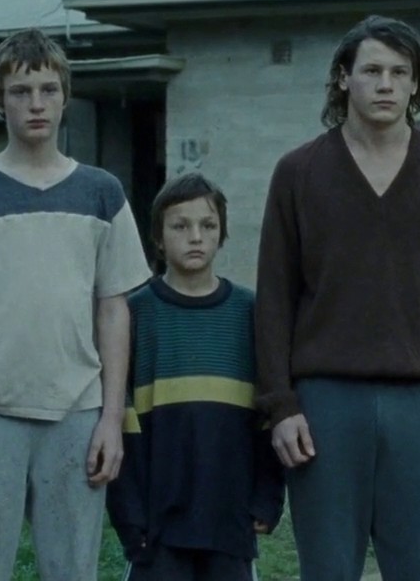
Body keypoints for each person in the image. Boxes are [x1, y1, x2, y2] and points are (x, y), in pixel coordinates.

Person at [254, 15, 420, 581]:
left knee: (414, 569)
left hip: (418, 402)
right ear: (344, 78)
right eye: (372, 71)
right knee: (328, 569)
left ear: (416, 83)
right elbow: (274, 300)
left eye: (400, 72)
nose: (386, 84)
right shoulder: (298, 172)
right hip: (324, 404)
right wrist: (281, 406)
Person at [0, 28, 151, 580]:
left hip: (76, 417)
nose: (36, 103)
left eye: (48, 90)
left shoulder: (102, 193)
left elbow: (113, 310)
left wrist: (111, 419)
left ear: (66, 97)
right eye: (21, 91)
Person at [107, 172, 285, 581]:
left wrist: (267, 497)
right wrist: (129, 514)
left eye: (207, 225)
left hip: (230, 520)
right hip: (157, 528)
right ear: (157, 237)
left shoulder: (250, 312)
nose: (195, 237)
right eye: (180, 226)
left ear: (222, 235)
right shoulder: (136, 314)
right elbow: (120, 419)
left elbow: (269, 414)